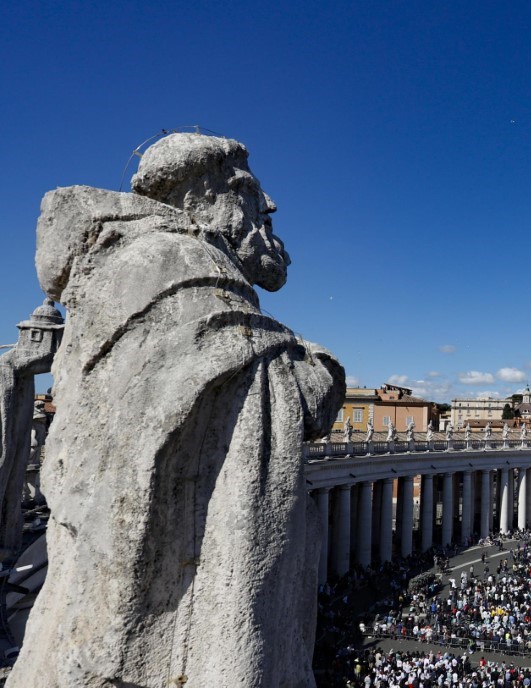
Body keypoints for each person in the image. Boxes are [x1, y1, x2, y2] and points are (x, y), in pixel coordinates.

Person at [15, 133, 344, 687]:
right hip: (171, 618)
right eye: (248, 190)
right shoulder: (179, 269)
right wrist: (323, 365)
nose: (268, 207)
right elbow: (298, 394)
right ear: (197, 202)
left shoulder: (135, 270)